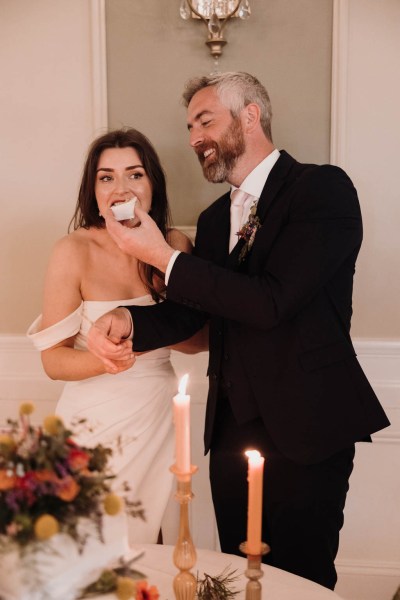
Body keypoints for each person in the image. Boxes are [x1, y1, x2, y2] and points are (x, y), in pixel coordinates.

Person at [86, 73, 390, 589]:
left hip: (308, 430)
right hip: (230, 435)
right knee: (236, 578)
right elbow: (192, 315)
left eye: (205, 121)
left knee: (301, 582)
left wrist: (161, 255)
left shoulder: (322, 189)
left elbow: (272, 301)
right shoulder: (211, 220)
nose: (192, 138)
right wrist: (128, 321)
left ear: (250, 116)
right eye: (189, 127)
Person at [27, 128, 205, 545]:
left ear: (152, 184)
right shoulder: (73, 250)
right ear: (93, 189)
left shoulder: (174, 245)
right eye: (106, 177)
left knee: (152, 546)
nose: (120, 188)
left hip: (158, 416)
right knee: (83, 544)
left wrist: (153, 259)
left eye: (134, 174)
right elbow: (53, 361)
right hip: (91, 421)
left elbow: (200, 341)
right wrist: (104, 359)